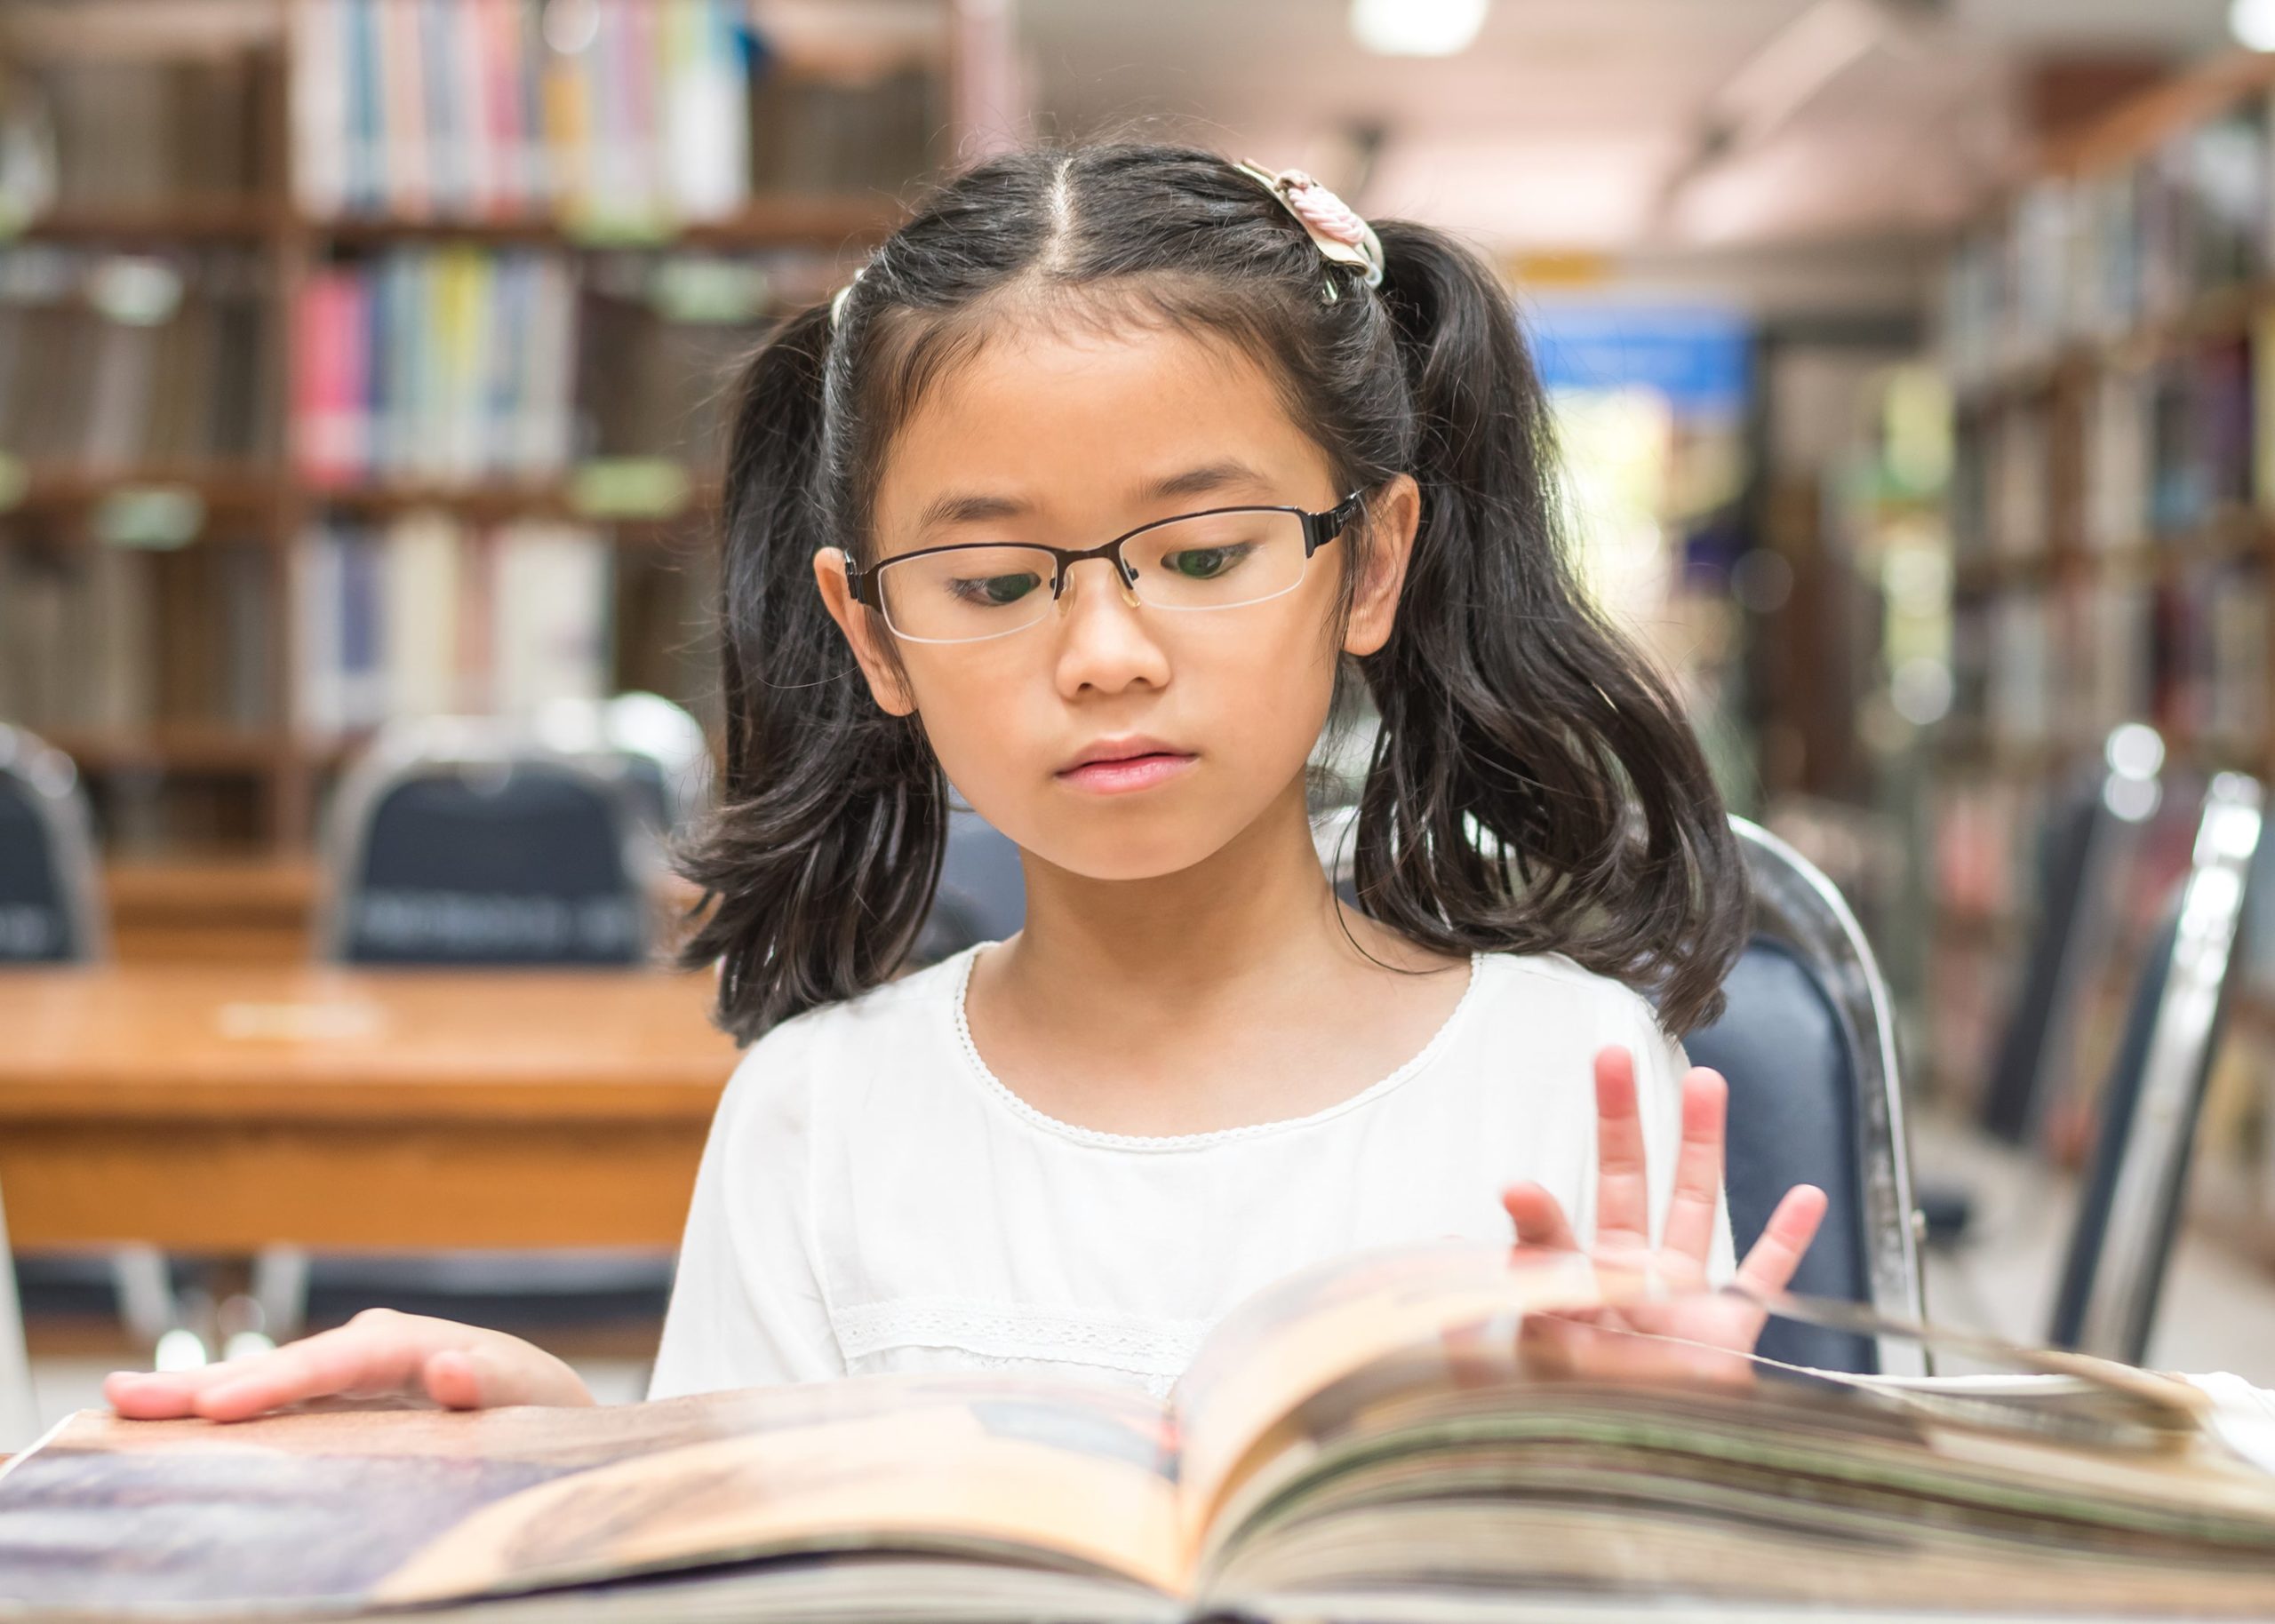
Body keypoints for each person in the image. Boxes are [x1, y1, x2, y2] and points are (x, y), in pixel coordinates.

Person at [104, 141, 1826, 1421]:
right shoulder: (816, 1118)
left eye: (1205, 553)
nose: (1102, 650)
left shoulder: (1565, 1072)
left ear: (1368, 561)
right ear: (871, 630)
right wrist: (581, 1480)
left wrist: (1658, 1469)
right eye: (997, 584)